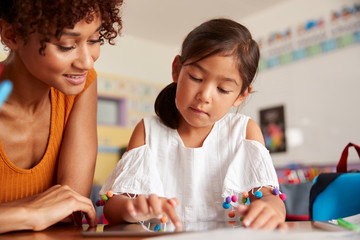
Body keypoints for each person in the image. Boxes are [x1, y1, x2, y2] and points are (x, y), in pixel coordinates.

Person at [100, 18, 286, 231]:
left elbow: (269, 197)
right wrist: (133, 207)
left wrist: (272, 208)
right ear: (177, 70)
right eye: (196, 77)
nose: (205, 96)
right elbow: (113, 206)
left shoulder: (243, 131)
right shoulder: (148, 131)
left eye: (223, 89)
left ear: (241, 96)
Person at [0, 0, 123, 234]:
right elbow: (54, 210)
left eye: (94, 39)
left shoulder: (82, 87)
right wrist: (29, 213)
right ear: (11, 35)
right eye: (67, 45)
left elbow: (70, 211)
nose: (87, 61)